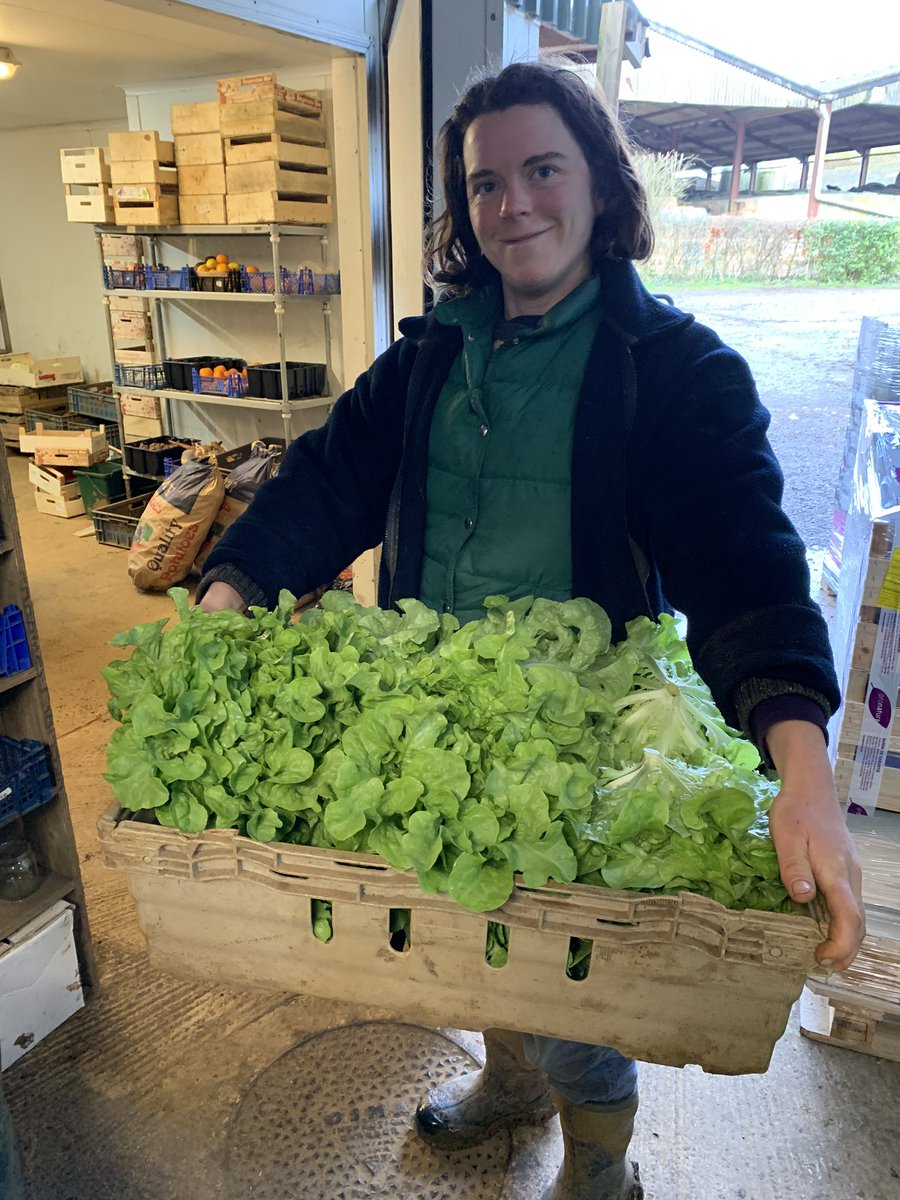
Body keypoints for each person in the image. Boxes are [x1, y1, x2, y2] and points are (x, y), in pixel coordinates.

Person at [198, 60, 864, 1200]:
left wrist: (802, 769)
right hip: (440, 731)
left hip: (577, 744)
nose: (515, 206)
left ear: (601, 185)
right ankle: (510, 1087)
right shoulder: (427, 361)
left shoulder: (676, 374)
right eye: (487, 183)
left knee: (569, 989)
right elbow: (322, 484)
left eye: (543, 170)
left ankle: (598, 1166)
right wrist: (229, 594)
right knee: (469, 937)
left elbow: (744, 563)